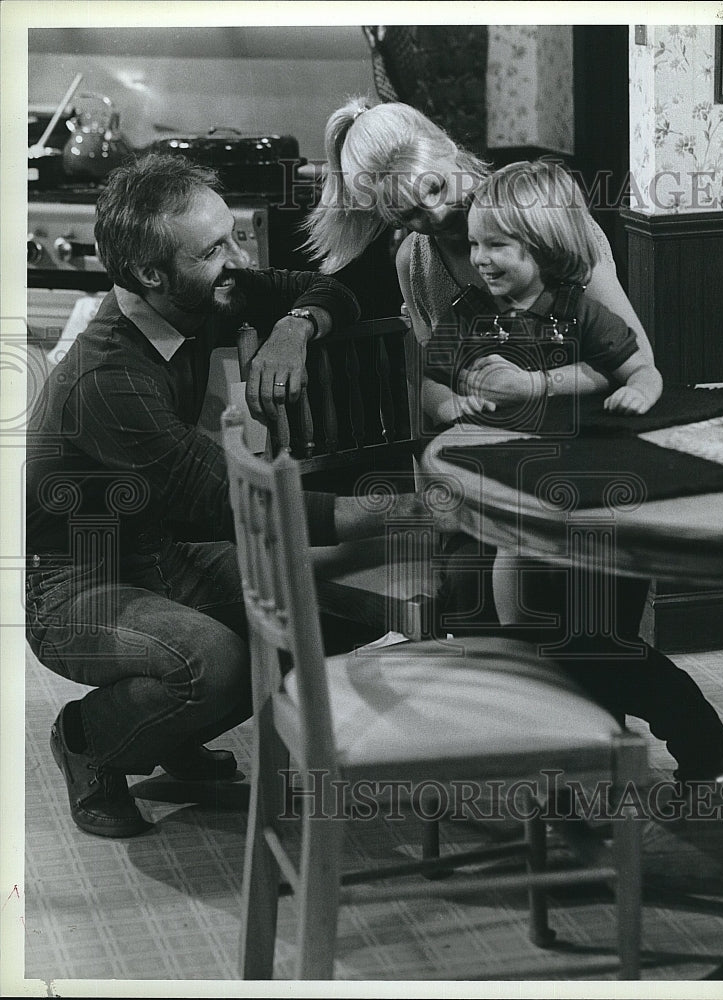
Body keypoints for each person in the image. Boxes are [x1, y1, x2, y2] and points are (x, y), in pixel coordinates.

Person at [302, 98, 723, 784]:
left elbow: (631, 357)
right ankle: (558, 769)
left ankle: (681, 730)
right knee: (473, 610)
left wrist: (529, 389)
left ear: (445, 149)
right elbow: (443, 388)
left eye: (435, 194)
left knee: (579, 627)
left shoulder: (534, 212)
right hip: (499, 466)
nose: (433, 219)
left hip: (591, 455)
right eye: (405, 214)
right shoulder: (415, 257)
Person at [25, 153, 427, 838]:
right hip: (75, 583)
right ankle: (90, 738)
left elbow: (327, 290)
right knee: (213, 661)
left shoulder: (204, 289)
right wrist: (401, 511)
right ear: (153, 274)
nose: (238, 260)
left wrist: (293, 330)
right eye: (216, 249)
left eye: (231, 235)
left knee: (338, 606)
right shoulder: (107, 378)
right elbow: (226, 503)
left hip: (160, 550)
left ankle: (166, 729)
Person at [427, 159, 663, 428]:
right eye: (474, 243)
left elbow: (642, 369)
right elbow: (431, 381)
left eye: (496, 245)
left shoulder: (581, 312)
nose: (479, 258)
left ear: (544, 245)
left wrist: (639, 392)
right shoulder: (467, 313)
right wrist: (450, 406)